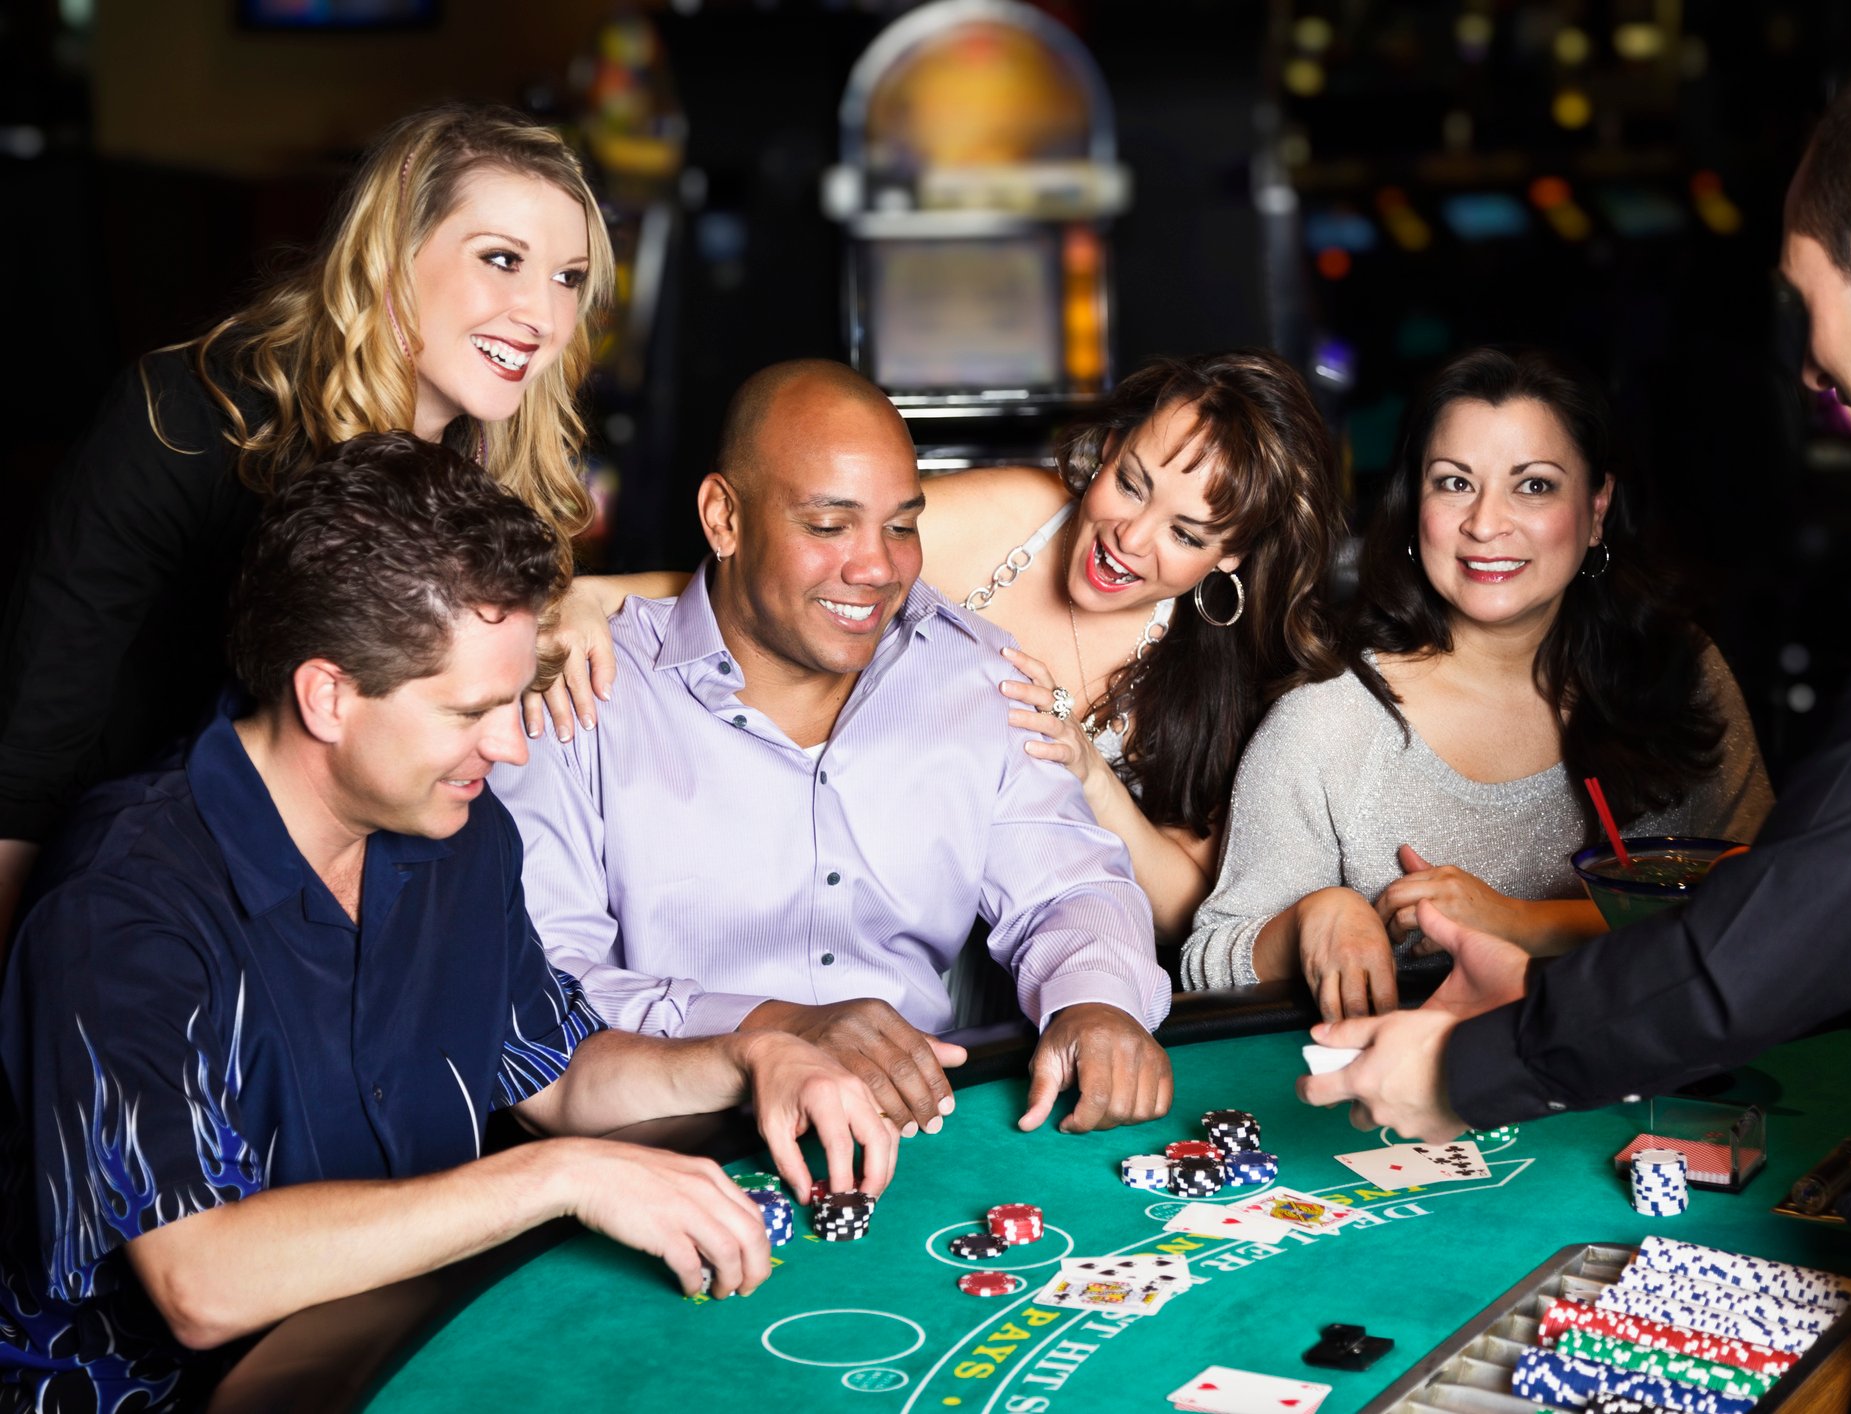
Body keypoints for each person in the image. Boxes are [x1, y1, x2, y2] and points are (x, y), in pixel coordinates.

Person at [1299, 49, 1851, 1413]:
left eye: (1808, 305)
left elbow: (1799, 933)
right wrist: (1559, 987)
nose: (1811, 369)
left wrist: (1467, 1064)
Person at [0, 433, 894, 1412]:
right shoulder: (120, 906)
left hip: (416, 1367)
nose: (511, 747)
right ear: (328, 695)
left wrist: (755, 1054)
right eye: (473, 710)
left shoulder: (461, 834)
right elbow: (201, 1281)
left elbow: (554, 1073)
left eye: (516, 701)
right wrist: (556, 1177)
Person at [0, 103, 667, 946]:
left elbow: (736, 586)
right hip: (149, 905)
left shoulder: (493, 467)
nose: (543, 315)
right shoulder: (186, 418)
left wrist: (581, 599)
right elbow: (28, 759)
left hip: (358, 913)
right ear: (391, 257)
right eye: (502, 261)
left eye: (568, 279)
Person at [492, 360, 1174, 1141]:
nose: (877, 568)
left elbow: (1068, 887)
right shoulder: (581, 689)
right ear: (724, 519)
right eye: (827, 526)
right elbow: (546, 987)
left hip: (920, 1128)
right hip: (671, 1137)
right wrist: (773, 1028)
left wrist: (1096, 1000)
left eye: (901, 525)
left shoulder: (973, 674)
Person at [1183, 348, 1771, 1018]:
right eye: (1454, 483)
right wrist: (1316, 916)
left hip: (1674, 1092)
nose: (1486, 524)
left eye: (1534, 485)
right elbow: (1209, 965)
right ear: (1414, 506)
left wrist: (1525, 922)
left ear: (1597, 507)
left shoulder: (1679, 673)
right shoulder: (1327, 720)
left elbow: (1774, 905)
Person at [915, 352, 1345, 940]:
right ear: (1111, 448)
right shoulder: (1007, 514)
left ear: (1232, 554)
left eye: (1185, 533)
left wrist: (1092, 776)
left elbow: (1184, 912)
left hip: (1051, 961)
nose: (1132, 538)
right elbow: (817, 563)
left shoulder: (1222, 676)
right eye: (1130, 484)